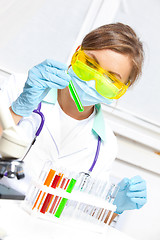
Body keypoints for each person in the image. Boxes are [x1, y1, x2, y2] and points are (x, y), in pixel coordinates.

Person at [0, 23, 147, 220]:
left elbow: (92, 214)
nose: (93, 81)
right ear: (77, 53)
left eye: (110, 79)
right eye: (91, 64)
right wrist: (17, 110)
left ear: (121, 89)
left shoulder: (105, 144)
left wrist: (116, 207)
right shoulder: (22, 87)